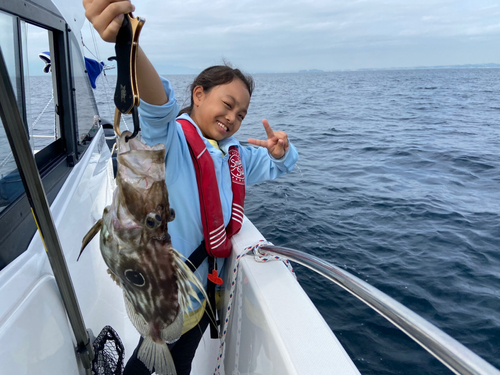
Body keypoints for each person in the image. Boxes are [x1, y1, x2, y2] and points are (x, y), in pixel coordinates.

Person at [83, 1, 299, 374]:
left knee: (179, 365)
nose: (232, 118)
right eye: (227, 104)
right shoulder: (171, 141)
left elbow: (278, 166)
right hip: (162, 292)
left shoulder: (236, 156)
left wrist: (283, 152)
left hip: (202, 295)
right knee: (147, 362)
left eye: (241, 114)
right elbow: (156, 105)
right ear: (199, 94)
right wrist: (128, 41)